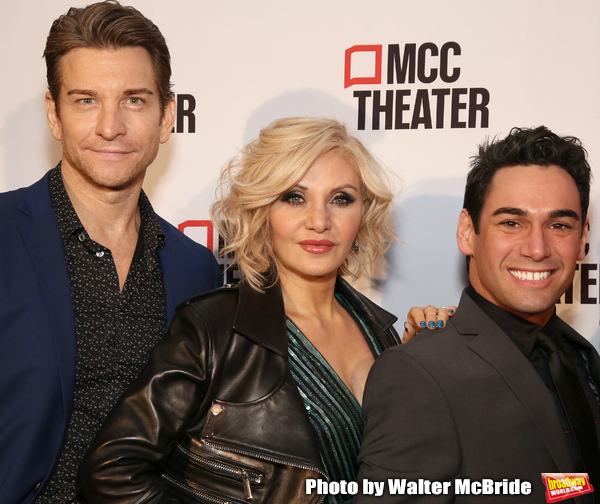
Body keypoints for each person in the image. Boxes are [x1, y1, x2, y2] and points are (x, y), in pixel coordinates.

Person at [76, 117, 452, 503]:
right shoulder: (216, 328)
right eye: (295, 197)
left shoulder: (379, 332)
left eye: (341, 199)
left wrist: (416, 366)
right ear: (262, 210)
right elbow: (110, 471)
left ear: (363, 213)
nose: (320, 221)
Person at [0, 3, 219, 504]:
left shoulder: (196, 268)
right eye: (85, 100)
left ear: (166, 117)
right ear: (54, 114)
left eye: (134, 101)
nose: (110, 126)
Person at [355, 126, 600, 503]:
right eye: (511, 223)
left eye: (558, 225)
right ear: (468, 232)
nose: (537, 248)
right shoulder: (419, 374)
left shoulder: (581, 357)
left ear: (582, 237)